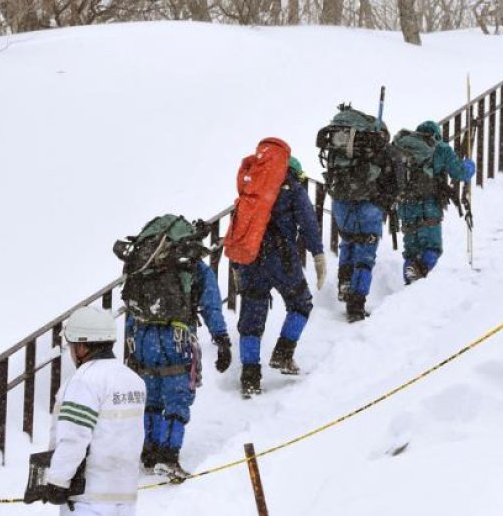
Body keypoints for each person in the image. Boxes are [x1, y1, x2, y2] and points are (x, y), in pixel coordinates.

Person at [116, 215, 231, 479]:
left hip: (143, 335)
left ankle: (149, 450)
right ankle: (169, 456)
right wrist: (221, 338)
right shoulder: (193, 267)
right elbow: (211, 304)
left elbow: (131, 304)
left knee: (152, 397)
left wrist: (130, 344)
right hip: (176, 338)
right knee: (177, 398)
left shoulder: (143, 266)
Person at [232, 156, 326, 398]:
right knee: (301, 303)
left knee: (251, 321)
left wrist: (235, 263)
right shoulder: (292, 188)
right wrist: (318, 255)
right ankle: (283, 354)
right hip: (282, 258)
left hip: (250, 258)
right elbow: (308, 223)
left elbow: (237, 228)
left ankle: (250, 378)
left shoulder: (251, 189)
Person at [38, 306, 146, 516]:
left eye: (71, 346)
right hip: (125, 496)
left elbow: (74, 437)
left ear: (81, 346)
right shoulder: (134, 380)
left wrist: (57, 480)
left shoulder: (83, 381)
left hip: (87, 499)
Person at [317, 105, 400, 323]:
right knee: (365, 256)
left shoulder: (341, 151)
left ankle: (344, 283)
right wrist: (385, 203)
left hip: (341, 203)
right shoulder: (381, 152)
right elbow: (394, 184)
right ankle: (356, 304)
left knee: (348, 242)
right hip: (369, 207)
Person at [395, 121, 476, 284]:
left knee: (411, 252)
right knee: (432, 247)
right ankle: (419, 273)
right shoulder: (440, 149)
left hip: (405, 205)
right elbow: (459, 172)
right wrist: (470, 165)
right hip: (428, 206)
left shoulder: (401, 147)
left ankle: (410, 281)